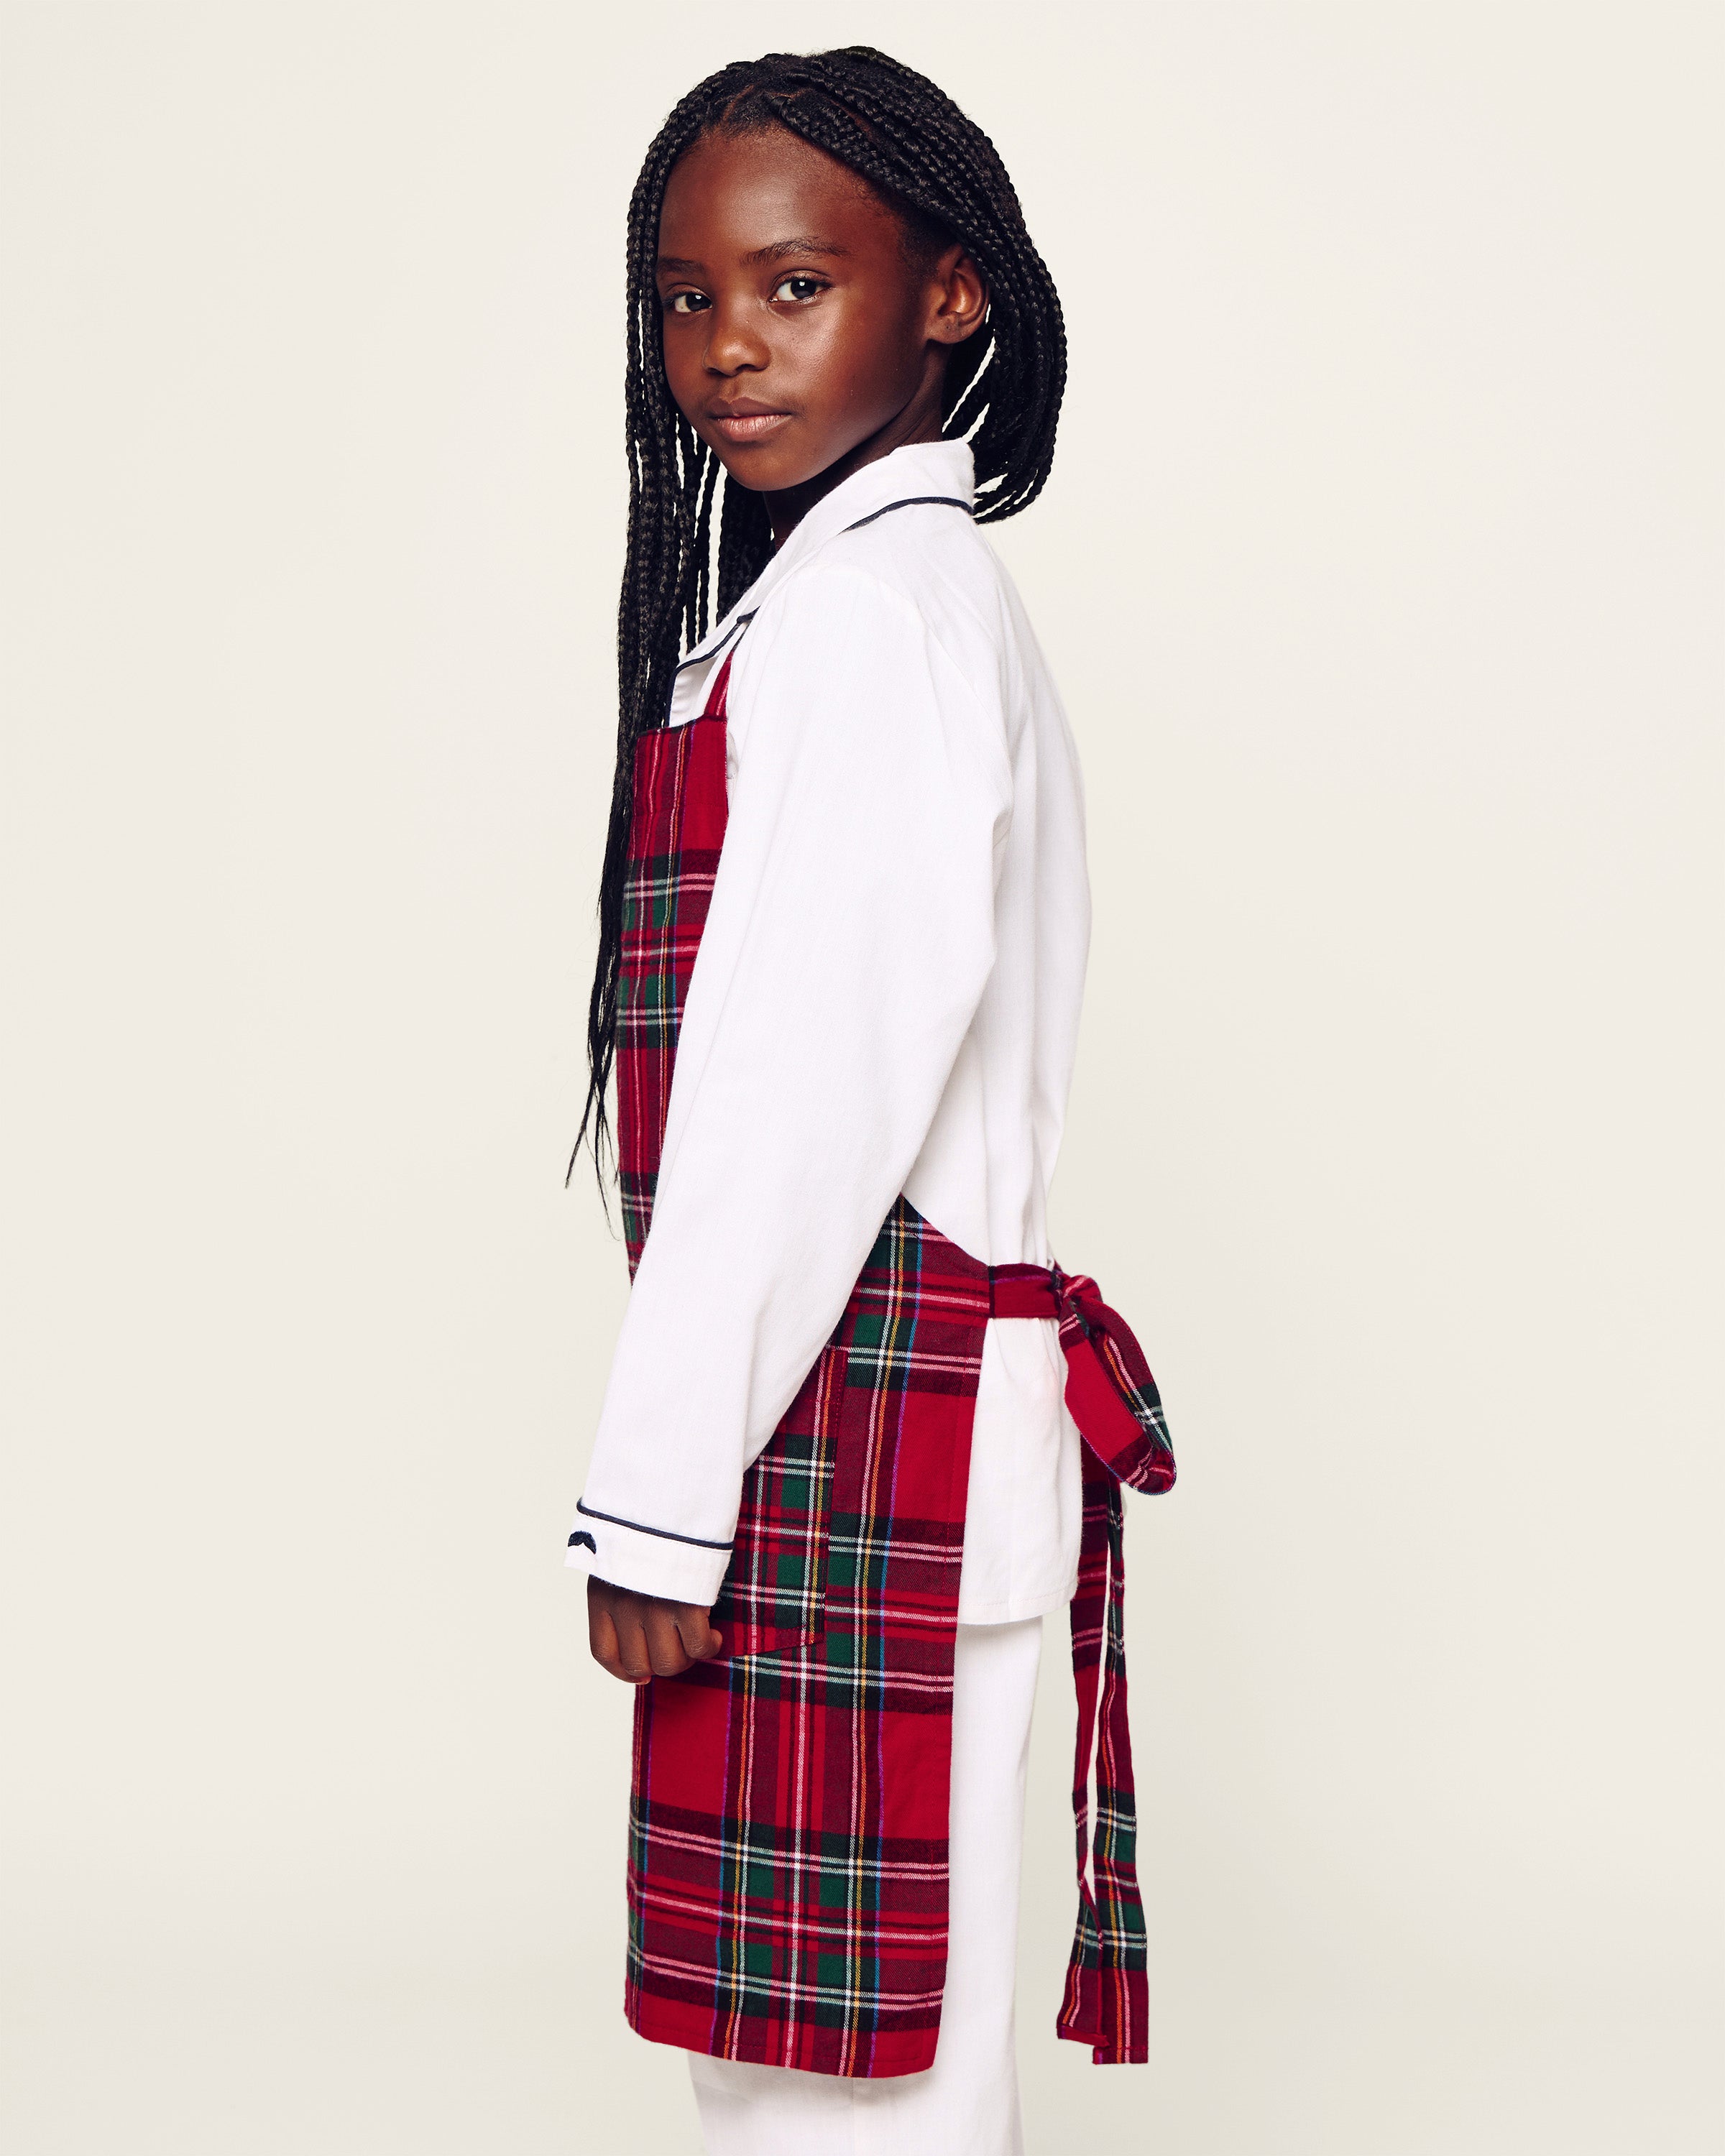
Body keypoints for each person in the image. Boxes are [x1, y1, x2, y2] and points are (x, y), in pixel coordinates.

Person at [564, 47, 1174, 2156]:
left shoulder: (871, 622)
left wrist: (662, 1481)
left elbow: (797, 1099)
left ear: (950, 298)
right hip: (851, 1439)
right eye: (682, 296)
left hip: (849, 1451)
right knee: (838, 2081)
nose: (722, 347)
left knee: (857, 2099)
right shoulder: (835, 609)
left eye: (793, 285)